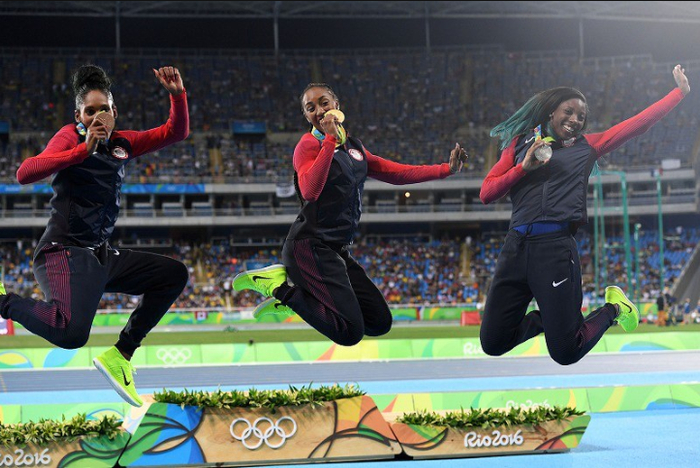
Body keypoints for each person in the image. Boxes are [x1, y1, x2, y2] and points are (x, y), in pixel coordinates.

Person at [0, 64, 190, 406]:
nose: (98, 117)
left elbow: (174, 132)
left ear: (115, 112)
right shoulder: (69, 137)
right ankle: (4, 302)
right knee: (71, 333)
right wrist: (81, 151)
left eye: (104, 109)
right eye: (90, 111)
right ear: (79, 116)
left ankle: (121, 354)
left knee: (173, 275)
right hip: (62, 252)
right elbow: (24, 173)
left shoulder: (123, 143)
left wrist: (177, 96)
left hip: (99, 254)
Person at [478, 65, 690, 365]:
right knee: (493, 342)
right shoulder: (518, 145)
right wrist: (522, 168)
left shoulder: (587, 147)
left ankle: (615, 309)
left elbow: (637, 125)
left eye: (581, 116)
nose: (575, 120)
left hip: (554, 249)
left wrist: (678, 93)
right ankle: (551, 318)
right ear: (551, 111)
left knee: (566, 352)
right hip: (514, 249)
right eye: (569, 112)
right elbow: (487, 193)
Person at [233, 83, 467, 346]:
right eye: (310, 108)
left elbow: (396, 173)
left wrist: (446, 169)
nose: (319, 110)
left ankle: (300, 301)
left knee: (379, 321)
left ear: (337, 105)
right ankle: (280, 290)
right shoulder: (307, 145)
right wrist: (329, 141)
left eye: (324, 103)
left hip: (336, 249)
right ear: (307, 116)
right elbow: (310, 190)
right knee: (349, 333)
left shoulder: (354, 147)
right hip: (308, 247)